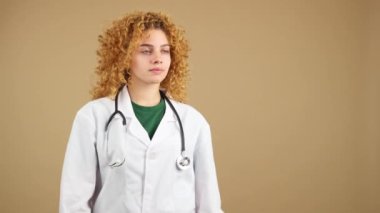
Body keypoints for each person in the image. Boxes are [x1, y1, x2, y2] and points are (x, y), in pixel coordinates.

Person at [59, 11, 223, 213]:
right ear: (125, 57)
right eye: (146, 51)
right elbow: (74, 202)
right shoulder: (93, 117)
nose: (157, 59)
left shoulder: (193, 122)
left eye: (165, 51)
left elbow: (209, 205)